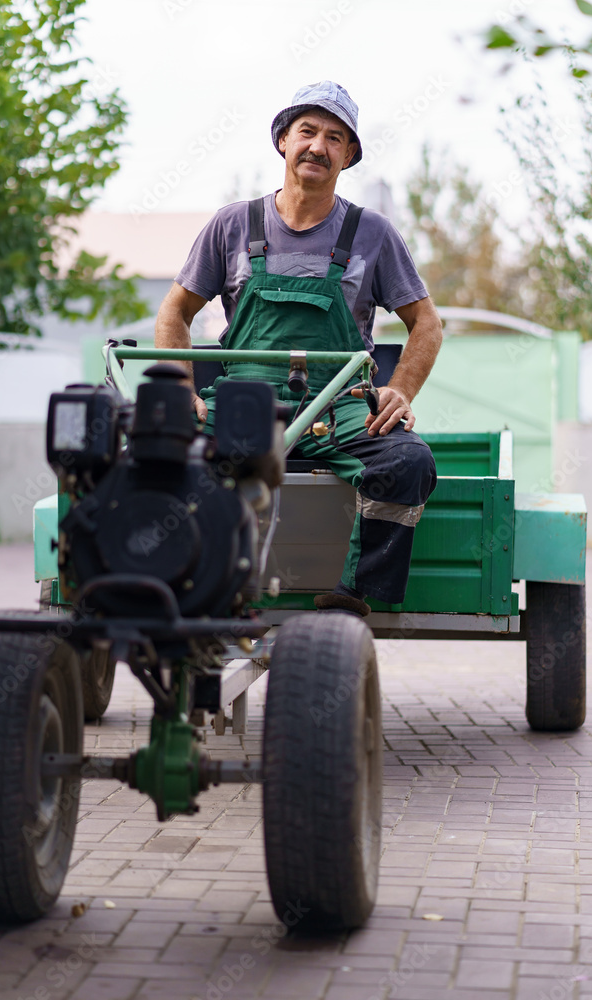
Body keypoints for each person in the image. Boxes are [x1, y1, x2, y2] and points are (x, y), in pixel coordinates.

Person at [155, 81, 443, 616]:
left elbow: (426, 322)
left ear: (349, 155)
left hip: (339, 409)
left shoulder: (372, 233)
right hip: (244, 407)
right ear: (283, 141)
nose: (318, 146)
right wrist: (178, 388)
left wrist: (399, 390)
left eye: (335, 138)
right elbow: (174, 311)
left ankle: (354, 597)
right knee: (164, 457)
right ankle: (195, 586)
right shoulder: (234, 224)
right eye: (307, 132)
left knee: (409, 461)